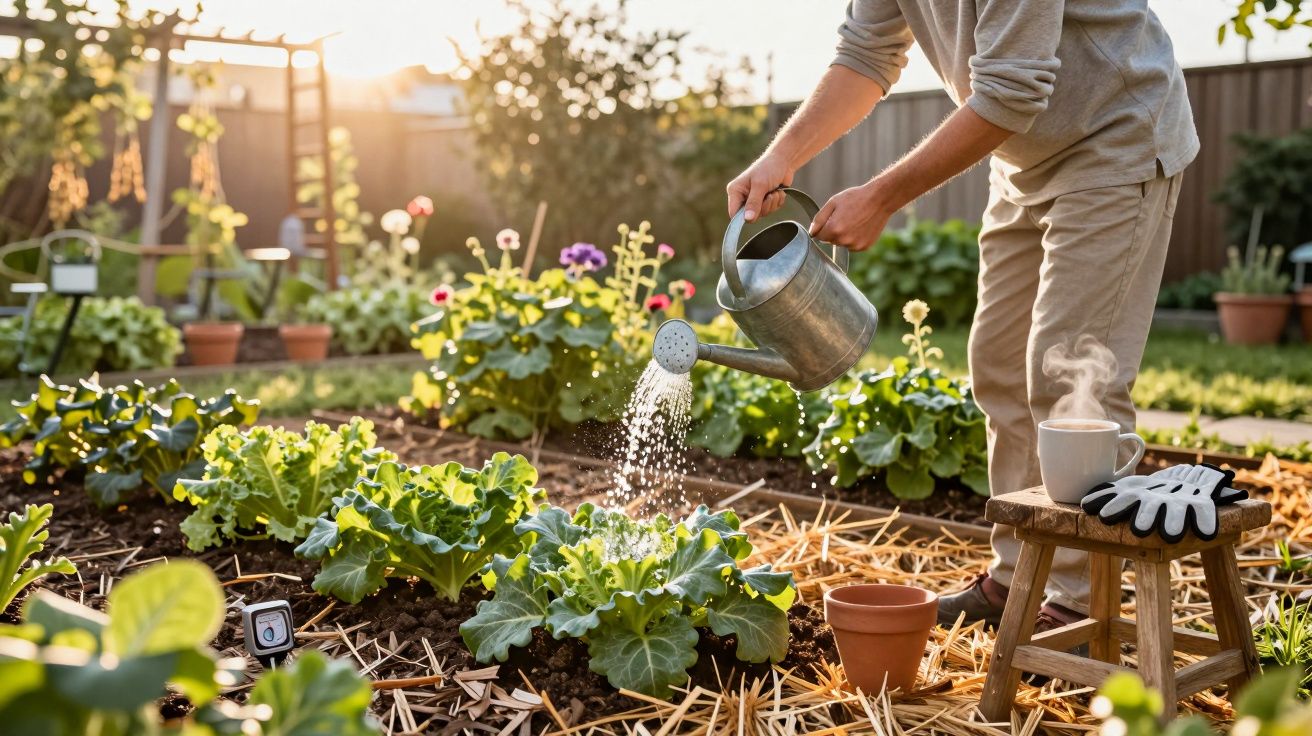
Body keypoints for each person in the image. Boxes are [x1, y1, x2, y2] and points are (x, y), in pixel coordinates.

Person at [727, 1, 1195, 633]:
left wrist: (882, 197)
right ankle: (1016, 576)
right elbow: (866, 53)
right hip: (1022, 165)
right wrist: (781, 155)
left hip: (1113, 138)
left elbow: (1009, 90)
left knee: (1075, 381)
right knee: (998, 369)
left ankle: (1079, 606)